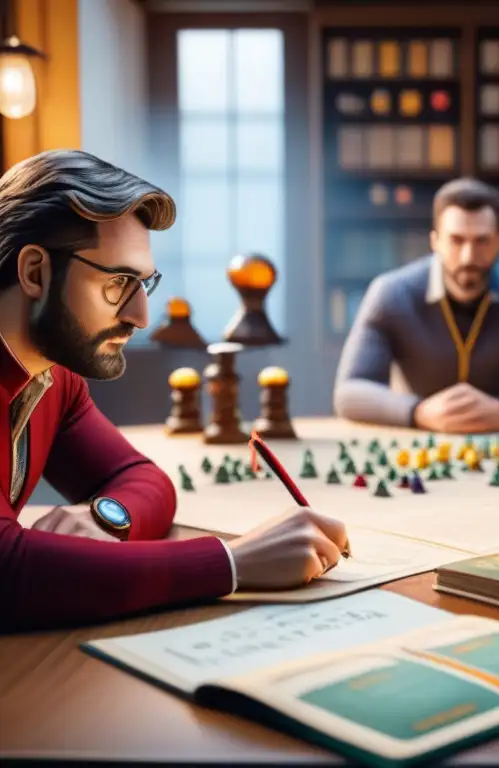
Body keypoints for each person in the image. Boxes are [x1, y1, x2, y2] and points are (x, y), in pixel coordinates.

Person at [0, 149, 350, 632]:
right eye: (119, 282)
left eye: (145, 284)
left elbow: (143, 479)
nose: (141, 316)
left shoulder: (53, 378)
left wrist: (108, 520)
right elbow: (9, 572)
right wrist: (232, 562)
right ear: (35, 272)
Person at [332, 177, 499, 433]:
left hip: (491, 435)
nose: (469, 257)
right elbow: (349, 393)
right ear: (435, 241)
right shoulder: (391, 293)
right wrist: (418, 411)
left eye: (482, 241)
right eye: (457, 240)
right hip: (415, 437)